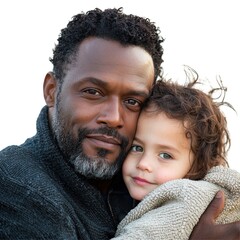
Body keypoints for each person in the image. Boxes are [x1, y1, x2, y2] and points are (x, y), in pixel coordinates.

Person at [0, 7, 239, 239]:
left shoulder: (142, 175)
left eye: (132, 101)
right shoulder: (16, 184)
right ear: (51, 91)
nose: (113, 117)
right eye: (93, 92)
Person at [113, 75, 240, 239]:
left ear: (199, 164)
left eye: (165, 155)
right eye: (137, 147)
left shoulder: (184, 200)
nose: (143, 164)